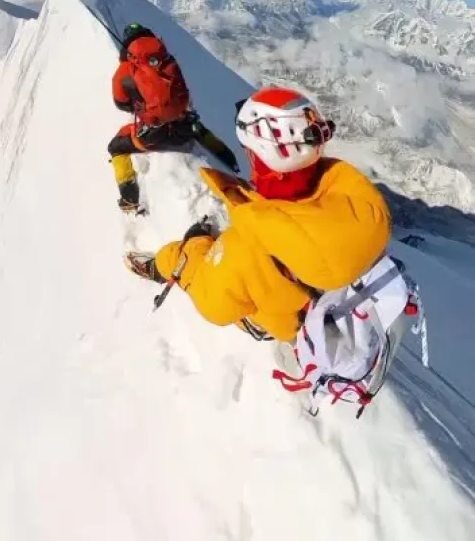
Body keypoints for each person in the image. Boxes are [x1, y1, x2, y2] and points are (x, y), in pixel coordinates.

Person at [125, 86, 391, 344]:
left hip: (287, 325)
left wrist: (192, 246)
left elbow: (213, 304)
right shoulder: (359, 203)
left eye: (250, 153)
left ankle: (154, 268)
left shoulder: (248, 246)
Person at [108, 23, 239, 211]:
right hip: (184, 126)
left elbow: (120, 102)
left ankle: (129, 199)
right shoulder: (166, 59)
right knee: (199, 129)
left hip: (154, 136)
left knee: (116, 149)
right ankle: (230, 160)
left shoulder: (124, 71)